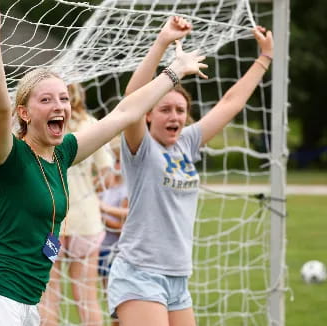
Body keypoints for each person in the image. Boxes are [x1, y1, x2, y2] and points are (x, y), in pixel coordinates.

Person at [0, 1, 207, 325]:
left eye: (63, 98)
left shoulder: (63, 153)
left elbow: (125, 113)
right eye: (46, 100)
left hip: (26, 303)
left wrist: (174, 71)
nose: (59, 106)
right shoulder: (9, 156)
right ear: (25, 113)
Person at [106, 16, 273, 326]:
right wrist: (162, 42)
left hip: (178, 279)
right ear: (148, 116)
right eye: (165, 109)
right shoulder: (140, 146)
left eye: (180, 110)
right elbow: (132, 99)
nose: (174, 116)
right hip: (140, 274)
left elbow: (230, 102)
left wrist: (264, 58)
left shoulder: (187, 142)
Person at [39, 83, 113, 326]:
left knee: (49, 295)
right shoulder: (90, 125)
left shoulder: (43, 125)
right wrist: (89, 186)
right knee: (87, 298)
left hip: (53, 228)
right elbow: (108, 175)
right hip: (87, 226)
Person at [97, 137, 128, 326]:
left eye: (118, 160)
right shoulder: (107, 184)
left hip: (116, 253)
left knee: (119, 307)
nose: (115, 164)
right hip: (102, 251)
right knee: (111, 305)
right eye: (113, 160)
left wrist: (100, 213)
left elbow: (122, 228)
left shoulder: (127, 189)